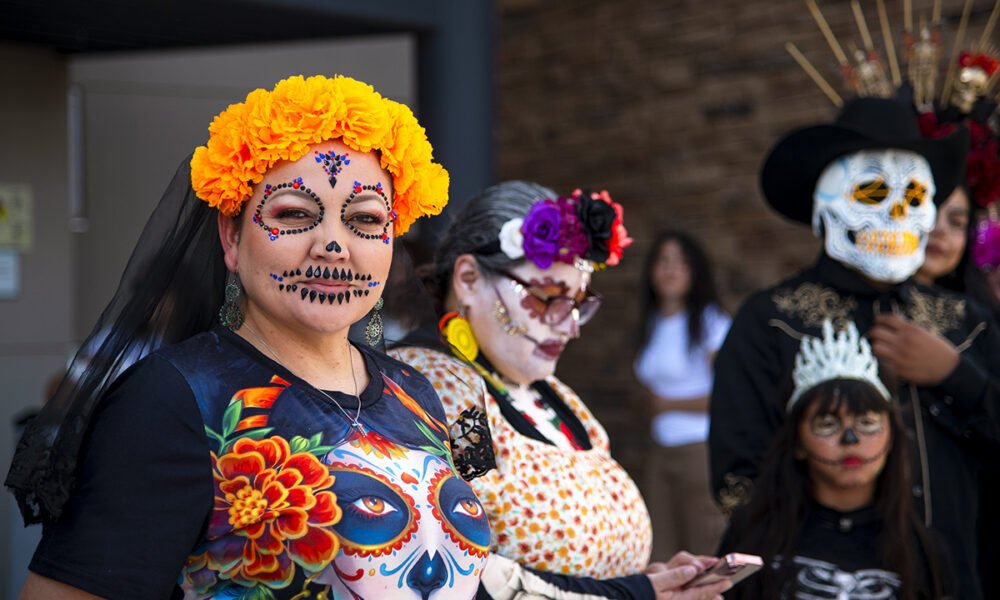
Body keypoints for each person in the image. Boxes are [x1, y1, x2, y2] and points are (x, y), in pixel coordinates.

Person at [7, 75, 490, 599]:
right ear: (231, 237)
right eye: (295, 215)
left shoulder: (415, 393)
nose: (332, 244)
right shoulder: (172, 400)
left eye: (366, 220)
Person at [708, 97, 1000, 599]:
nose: (895, 211)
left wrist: (955, 376)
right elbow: (738, 473)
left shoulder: (963, 323)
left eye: (912, 195)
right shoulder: (773, 319)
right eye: (871, 191)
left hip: (955, 579)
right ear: (829, 201)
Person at [391, 181, 733, 599]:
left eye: (578, 304)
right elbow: (460, 569)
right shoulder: (435, 389)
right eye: (548, 297)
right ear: (467, 279)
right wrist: (631, 594)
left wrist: (655, 581)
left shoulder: (554, 395)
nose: (569, 326)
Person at [719, 320, 949, 599]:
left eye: (867, 422)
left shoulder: (921, 549)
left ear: (891, 440)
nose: (850, 440)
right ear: (798, 443)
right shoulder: (751, 537)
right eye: (827, 424)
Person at [634, 231, 729, 558]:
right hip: (660, 450)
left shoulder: (710, 323)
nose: (670, 270)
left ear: (695, 271)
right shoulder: (653, 323)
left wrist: (667, 404)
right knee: (662, 549)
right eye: (663, 261)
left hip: (698, 451)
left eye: (681, 262)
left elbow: (728, 394)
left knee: (704, 547)